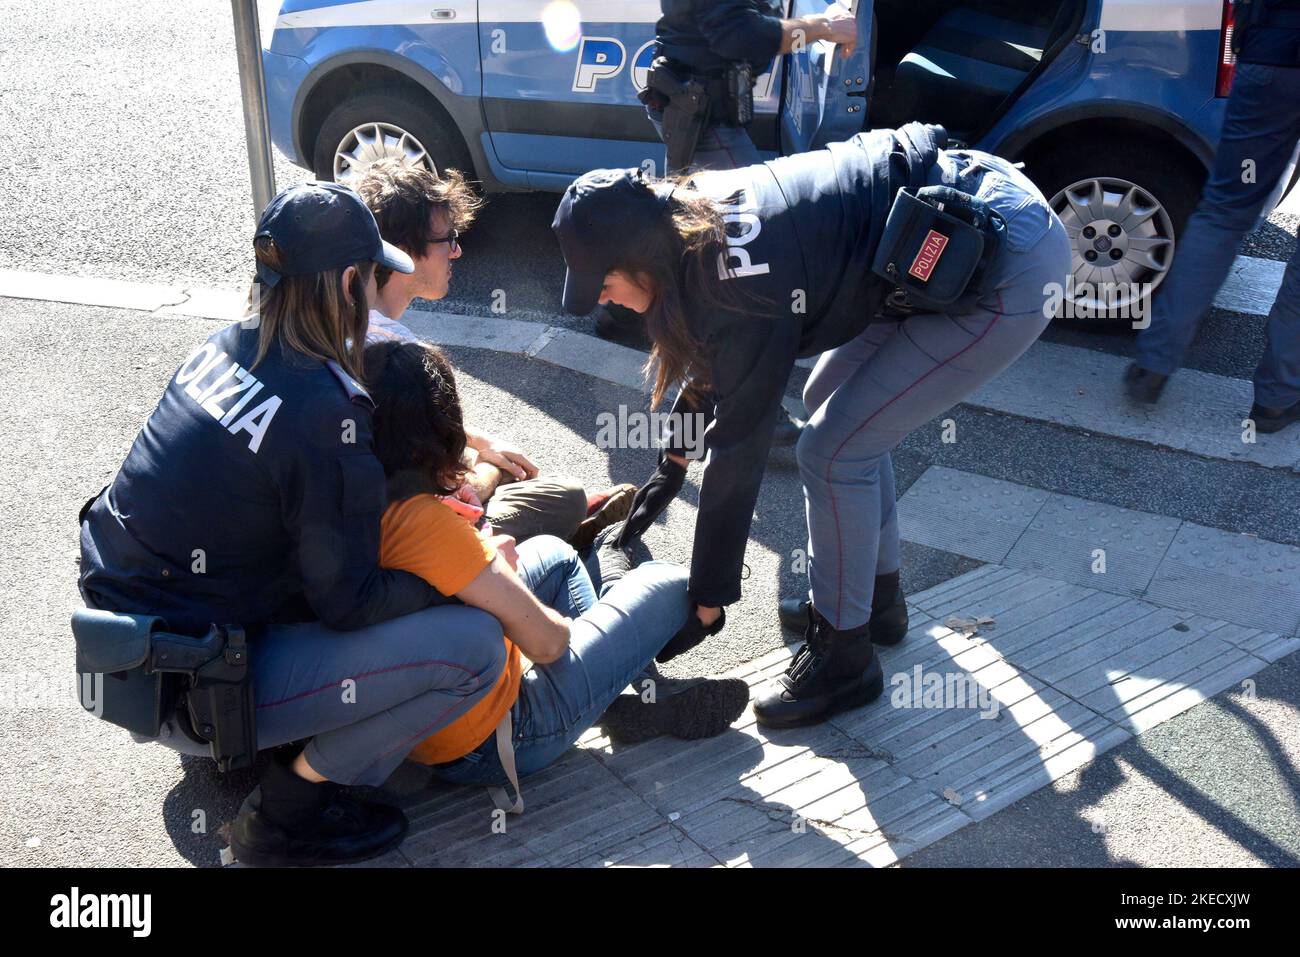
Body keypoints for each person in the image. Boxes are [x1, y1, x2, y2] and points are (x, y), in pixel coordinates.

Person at [552, 122, 1071, 728]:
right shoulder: (690, 217)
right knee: (832, 402)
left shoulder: (738, 280)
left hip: (1002, 262)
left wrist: (708, 597)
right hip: (932, 231)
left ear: (641, 262)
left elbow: (739, 448)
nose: (606, 299)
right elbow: (715, 362)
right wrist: (670, 467)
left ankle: (844, 660)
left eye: (607, 284)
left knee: (833, 450)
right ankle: (876, 604)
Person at [77, 182, 510, 867]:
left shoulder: (224, 346)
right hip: (192, 689)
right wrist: (458, 577)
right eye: (373, 269)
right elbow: (352, 602)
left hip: (131, 650)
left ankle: (257, 747)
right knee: (476, 645)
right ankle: (288, 811)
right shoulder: (325, 409)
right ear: (348, 280)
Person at [362, 340, 749, 806]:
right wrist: (550, 618)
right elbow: (550, 643)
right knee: (667, 584)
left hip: (429, 723)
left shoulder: (357, 494)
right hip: (500, 738)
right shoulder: (427, 523)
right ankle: (628, 689)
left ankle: (632, 694)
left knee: (554, 554)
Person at [602, 1, 862, 524]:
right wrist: (821, 28)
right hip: (701, 108)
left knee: (723, 266)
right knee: (753, 255)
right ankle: (742, 401)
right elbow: (738, 33)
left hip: (707, 103)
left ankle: (716, 403)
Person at [355, 159, 635, 548]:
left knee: (494, 459)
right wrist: (489, 469)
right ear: (402, 252)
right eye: (447, 239)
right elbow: (450, 495)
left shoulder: (340, 324)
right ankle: (560, 534)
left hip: (378, 517)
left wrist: (480, 442)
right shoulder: (404, 360)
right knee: (562, 496)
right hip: (413, 543)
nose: (456, 251)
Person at [1125, 0, 1300, 433]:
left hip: (1271, 54)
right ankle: (1277, 397)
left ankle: (1154, 364)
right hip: (1270, 48)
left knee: (1223, 213)